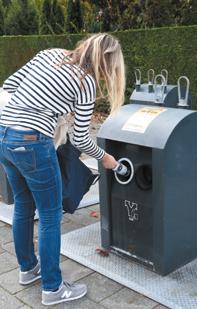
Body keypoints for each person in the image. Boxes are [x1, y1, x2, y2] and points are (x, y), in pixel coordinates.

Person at [0, 33, 125, 306]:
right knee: (49, 215)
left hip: (4, 134)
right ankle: (53, 288)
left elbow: (8, 86)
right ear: (107, 63)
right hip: (33, 142)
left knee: (23, 204)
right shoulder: (85, 81)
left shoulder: (50, 53)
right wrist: (105, 158)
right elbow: (81, 139)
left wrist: (38, 108)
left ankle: (28, 269)